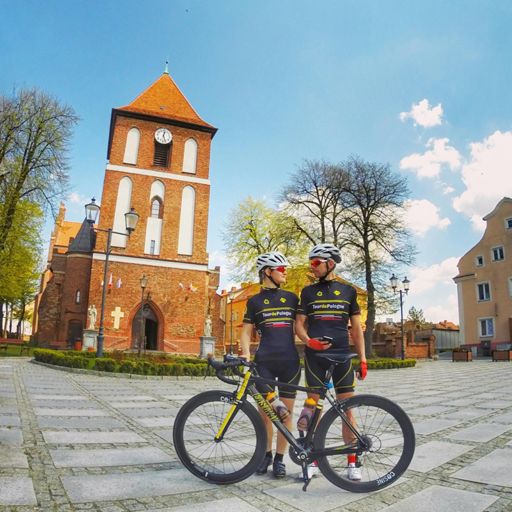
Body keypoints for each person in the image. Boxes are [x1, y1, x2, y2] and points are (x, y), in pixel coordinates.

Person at [295, 243, 367, 481]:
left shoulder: (348, 291)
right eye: (311, 263)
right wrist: (308, 341)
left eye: (316, 262)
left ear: (331, 263)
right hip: (315, 358)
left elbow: (356, 329)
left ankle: (352, 461)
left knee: (347, 410)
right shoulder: (307, 292)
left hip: (342, 357)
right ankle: (313, 460)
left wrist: (363, 359)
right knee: (312, 409)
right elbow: (299, 325)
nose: (312, 267)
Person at [240, 251, 300, 479]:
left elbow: (302, 326)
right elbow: (246, 332)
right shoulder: (254, 301)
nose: (285, 273)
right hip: (264, 363)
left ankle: (279, 459)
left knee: (286, 414)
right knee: (265, 414)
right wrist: (246, 354)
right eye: (281, 269)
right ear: (267, 271)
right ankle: (265, 455)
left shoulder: (292, 298)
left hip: (290, 363)